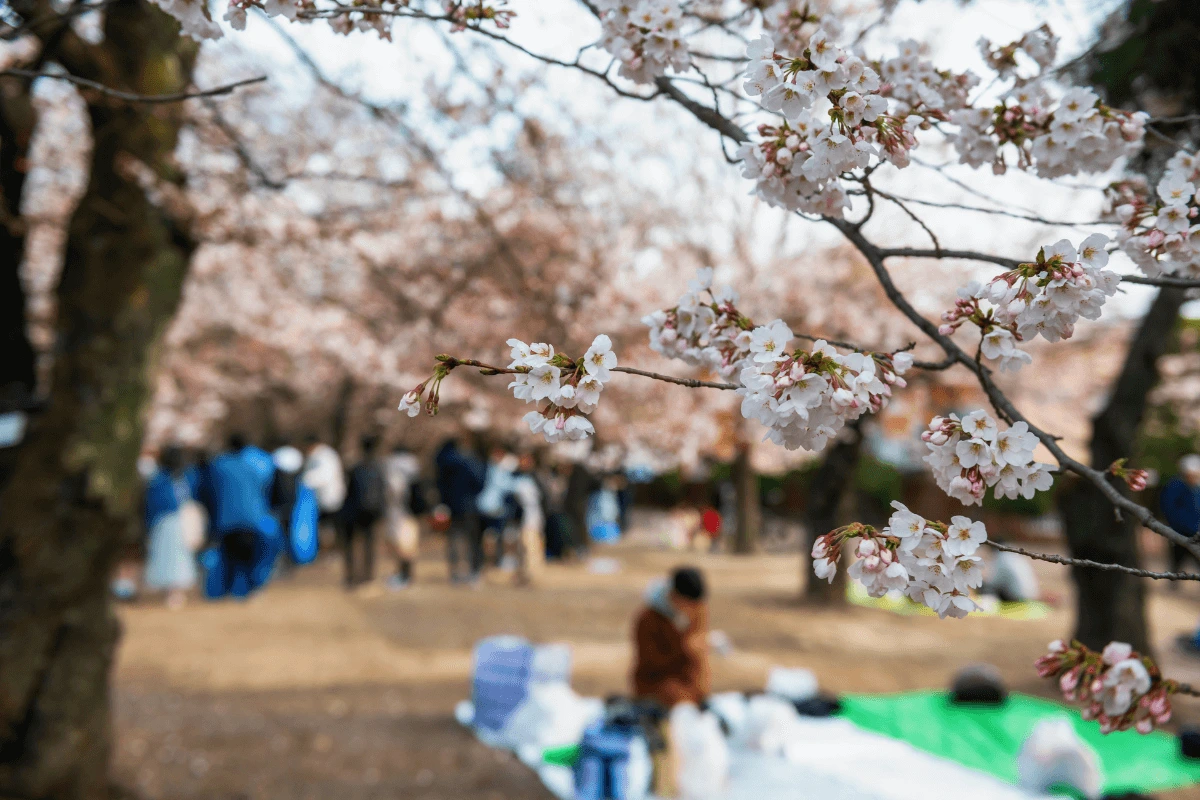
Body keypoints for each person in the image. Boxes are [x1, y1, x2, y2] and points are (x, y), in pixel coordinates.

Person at [205, 434, 280, 598]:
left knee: (229, 556)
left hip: (226, 519)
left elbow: (210, 491)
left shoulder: (219, 465)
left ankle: (228, 590)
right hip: (251, 518)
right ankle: (249, 589)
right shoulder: (252, 466)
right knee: (249, 555)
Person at [632, 566, 711, 708]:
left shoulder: (698, 608)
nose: (691, 609)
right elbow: (650, 660)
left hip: (690, 678)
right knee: (673, 695)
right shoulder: (648, 618)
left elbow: (699, 637)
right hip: (657, 683)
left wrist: (699, 646)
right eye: (686, 604)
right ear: (674, 595)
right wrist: (684, 647)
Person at [142, 446, 199, 608]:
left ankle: (174, 591)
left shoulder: (169, 479)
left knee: (174, 556)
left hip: (173, 523)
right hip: (170, 522)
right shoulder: (168, 480)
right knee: (171, 556)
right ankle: (172, 591)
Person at [435, 437, 486, 584]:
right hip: (471, 506)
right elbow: (479, 482)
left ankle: (455, 572)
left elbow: (440, 485)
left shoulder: (442, 461)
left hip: (451, 507)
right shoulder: (469, 461)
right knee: (473, 540)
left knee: (454, 539)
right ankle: (474, 572)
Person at [341, 435, 387, 588]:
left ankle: (351, 576)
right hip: (373, 512)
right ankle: (368, 575)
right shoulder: (379, 468)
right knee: (369, 544)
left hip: (355, 512)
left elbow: (348, 492)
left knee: (351, 545)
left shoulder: (355, 468)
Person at [383, 445, 423, 590]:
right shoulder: (414, 467)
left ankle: (403, 575)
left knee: (400, 546)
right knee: (408, 547)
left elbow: (392, 493)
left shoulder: (390, 468)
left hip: (398, 512)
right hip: (411, 513)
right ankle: (406, 575)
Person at [301, 434, 347, 548]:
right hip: (329, 497)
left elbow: (322, 475)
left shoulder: (322, 456)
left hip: (328, 498)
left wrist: (303, 480)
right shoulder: (325, 454)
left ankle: (330, 549)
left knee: (327, 527)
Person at [477, 447, 519, 567]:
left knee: (494, 536)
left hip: (488, 507)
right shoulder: (498, 470)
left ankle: (493, 560)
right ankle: (493, 560)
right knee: (496, 536)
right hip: (494, 508)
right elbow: (507, 486)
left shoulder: (488, 468)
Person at [511, 452, 545, 585]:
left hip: (532, 518)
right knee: (520, 549)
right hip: (518, 519)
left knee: (531, 547)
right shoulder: (515, 476)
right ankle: (521, 574)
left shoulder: (535, 477)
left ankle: (532, 575)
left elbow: (542, 500)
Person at [1162, 454, 1200, 574]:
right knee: (1177, 561)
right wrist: (1182, 526)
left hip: (1196, 532)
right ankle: (1173, 581)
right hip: (1179, 532)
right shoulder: (1175, 486)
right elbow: (1169, 509)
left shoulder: (1197, 489)